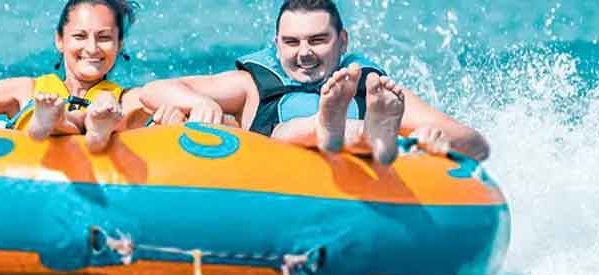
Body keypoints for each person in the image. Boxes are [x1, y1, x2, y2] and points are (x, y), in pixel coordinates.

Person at [139, 0, 490, 164]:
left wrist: (431, 140)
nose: (304, 53)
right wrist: (202, 103)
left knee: (368, 125)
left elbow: (476, 144)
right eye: (292, 43)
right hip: (275, 181)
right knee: (286, 134)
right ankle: (345, 130)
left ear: (344, 41)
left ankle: (368, 136)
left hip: (359, 197)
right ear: (276, 44)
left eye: (318, 40)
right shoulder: (251, 86)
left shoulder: (371, 89)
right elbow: (151, 91)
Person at [0, 0, 140, 153]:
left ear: (119, 44)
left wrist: (172, 113)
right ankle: (49, 120)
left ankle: (76, 123)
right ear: (60, 40)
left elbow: (170, 103)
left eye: (104, 38)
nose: (92, 48)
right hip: (28, 165)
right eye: (79, 36)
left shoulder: (127, 100)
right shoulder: (25, 90)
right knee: (45, 108)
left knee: (106, 106)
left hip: (98, 123)